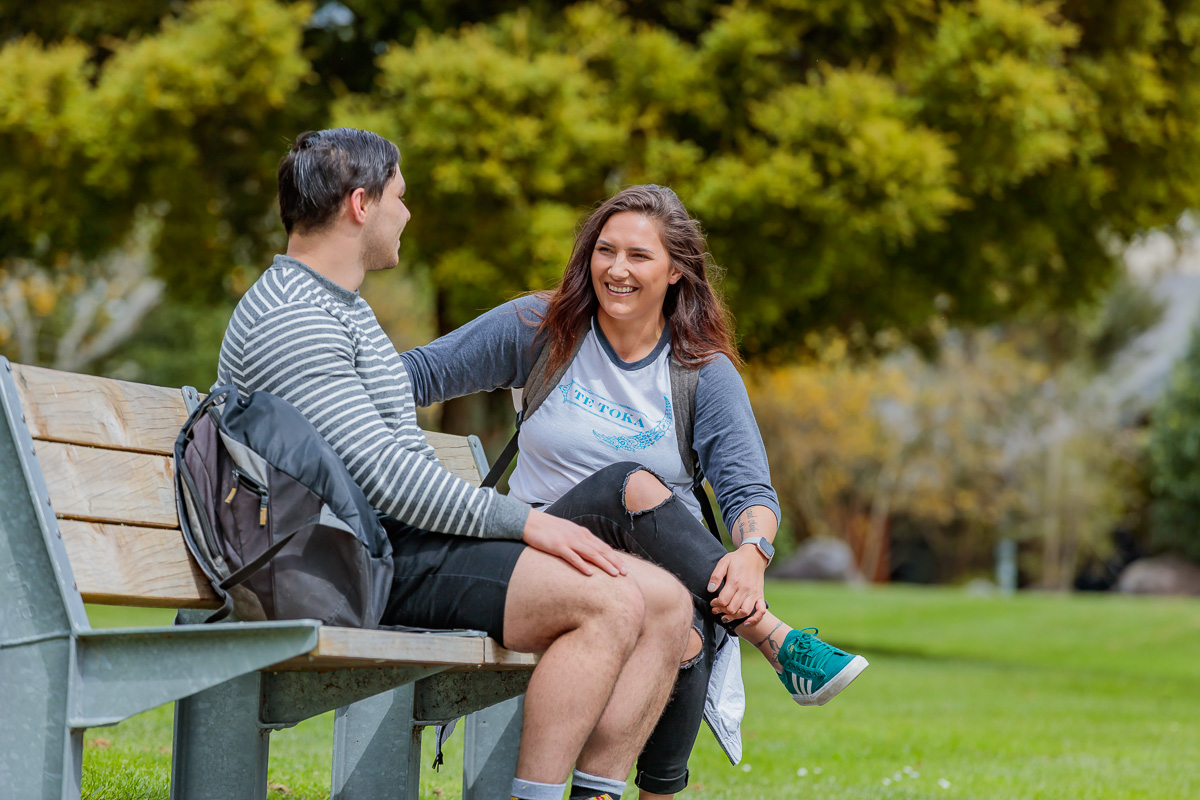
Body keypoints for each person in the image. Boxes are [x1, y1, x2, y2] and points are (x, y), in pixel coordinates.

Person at [215, 129, 697, 800]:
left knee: (669, 605)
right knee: (607, 602)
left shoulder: (339, 308)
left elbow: (390, 463)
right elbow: (384, 475)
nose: (405, 215)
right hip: (351, 561)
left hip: (387, 543)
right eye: (400, 198)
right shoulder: (295, 317)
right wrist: (524, 525)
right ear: (361, 205)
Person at [400, 184, 870, 798]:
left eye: (639, 257)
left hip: (650, 572)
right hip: (537, 551)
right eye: (605, 251)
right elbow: (419, 374)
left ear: (676, 271)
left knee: (685, 627)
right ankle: (773, 638)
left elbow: (748, 487)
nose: (617, 270)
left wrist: (753, 553)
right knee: (628, 484)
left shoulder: (700, 370)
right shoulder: (541, 328)